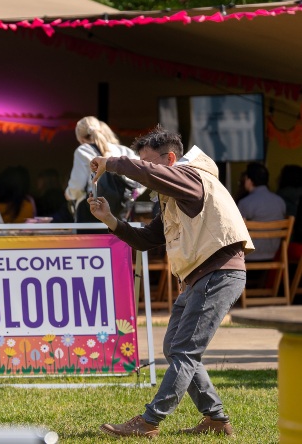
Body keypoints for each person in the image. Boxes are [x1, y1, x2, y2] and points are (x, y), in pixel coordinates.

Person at [88, 125, 251, 438]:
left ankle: (149, 421)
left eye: (150, 163)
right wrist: (110, 220)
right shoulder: (175, 193)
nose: (147, 172)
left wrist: (111, 161)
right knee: (177, 347)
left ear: (171, 158)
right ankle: (216, 419)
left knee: (184, 351)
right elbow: (149, 238)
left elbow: (146, 174)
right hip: (200, 276)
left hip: (218, 273)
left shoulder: (190, 177)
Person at [66, 116, 139, 222]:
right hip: (119, 214)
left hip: (92, 212)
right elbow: (141, 177)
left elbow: (77, 186)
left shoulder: (83, 150)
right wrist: (133, 195)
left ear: (80, 138)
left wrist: (69, 194)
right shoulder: (123, 151)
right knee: (117, 237)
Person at [236, 162, 286, 261]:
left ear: (248, 180)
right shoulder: (280, 201)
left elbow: (235, 232)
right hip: (273, 255)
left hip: (248, 257)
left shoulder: (245, 202)